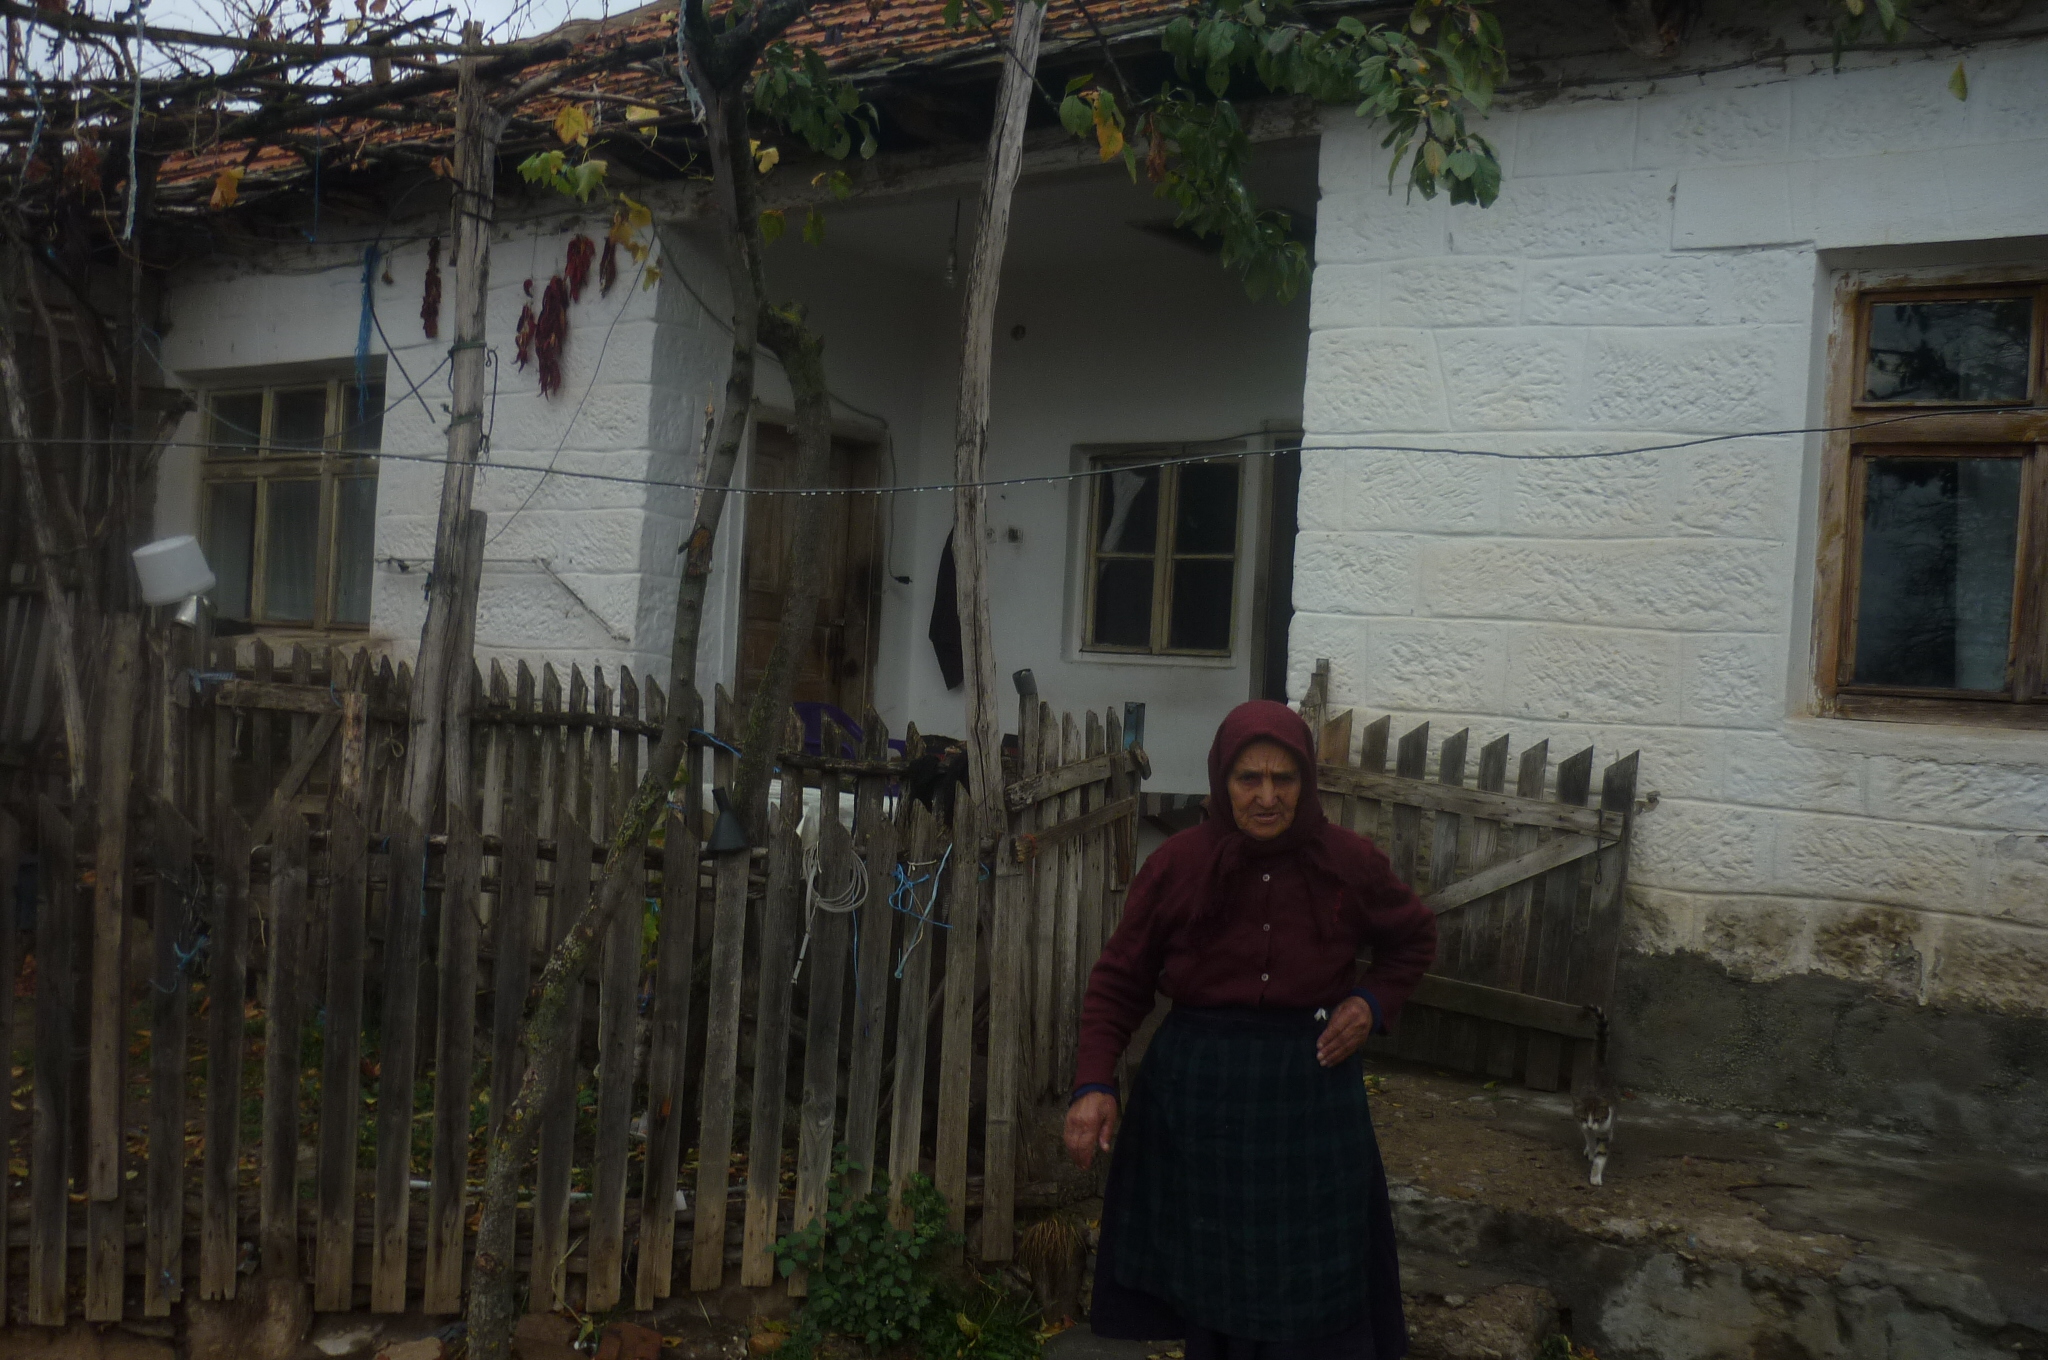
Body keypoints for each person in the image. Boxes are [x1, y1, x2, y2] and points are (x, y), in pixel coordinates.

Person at [1065, 700, 1437, 1360]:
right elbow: (1121, 978)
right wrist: (1094, 1083)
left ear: (1306, 781)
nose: (1267, 797)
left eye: (1283, 778)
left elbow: (1413, 939)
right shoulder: (1176, 865)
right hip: (1198, 1100)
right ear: (1221, 779)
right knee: (1214, 1277)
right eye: (1248, 778)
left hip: (1310, 1094)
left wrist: (1371, 1003)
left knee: (1313, 1281)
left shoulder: (1349, 862)